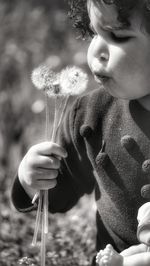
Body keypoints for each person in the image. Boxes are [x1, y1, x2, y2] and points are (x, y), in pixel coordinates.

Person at [11, 0, 150, 265]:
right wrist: (32, 180)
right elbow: (60, 192)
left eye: (118, 36)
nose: (96, 49)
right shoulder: (90, 114)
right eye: (94, 32)